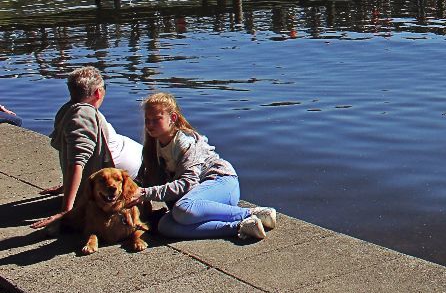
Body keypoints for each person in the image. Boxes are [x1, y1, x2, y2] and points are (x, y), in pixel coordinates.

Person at [128, 92, 277, 242]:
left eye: (156, 119)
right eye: (147, 120)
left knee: (182, 209)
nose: (150, 125)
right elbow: (142, 181)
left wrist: (145, 193)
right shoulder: (154, 145)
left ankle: (252, 213)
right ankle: (240, 226)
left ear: (172, 118)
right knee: (165, 226)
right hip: (199, 200)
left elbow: (187, 183)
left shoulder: (185, 142)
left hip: (222, 183)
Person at [29, 66, 143, 231]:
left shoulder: (71, 108)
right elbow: (77, 162)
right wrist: (66, 213)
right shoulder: (83, 116)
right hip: (126, 180)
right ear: (98, 92)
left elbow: (73, 150)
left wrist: (65, 185)